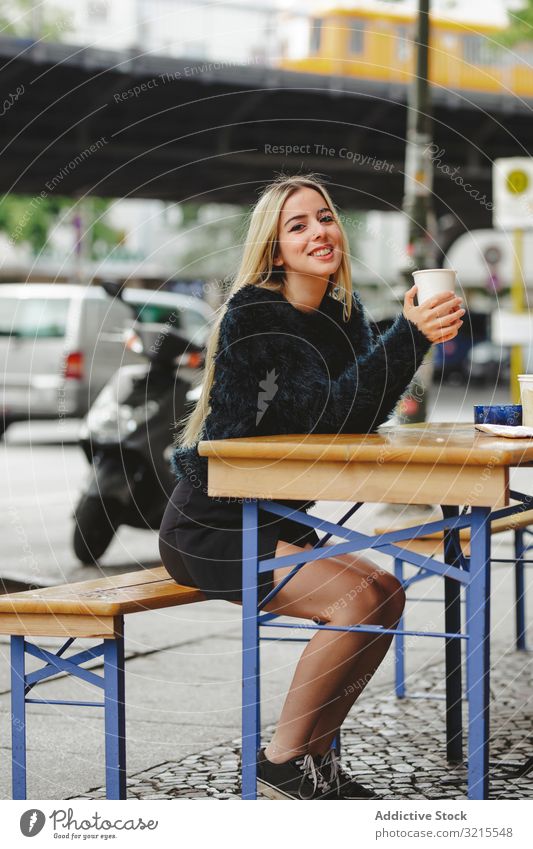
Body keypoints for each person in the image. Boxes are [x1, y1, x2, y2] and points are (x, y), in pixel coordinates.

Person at [159, 173, 464, 800]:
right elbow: (320, 412)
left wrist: (408, 339)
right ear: (275, 248)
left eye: (324, 217)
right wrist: (410, 337)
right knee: (358, 599)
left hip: (272, 518)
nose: (318, 231)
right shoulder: (254, 314)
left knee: (385, 593)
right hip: (212, 526)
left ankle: (313, 761)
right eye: (297, 225)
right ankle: (280, 763)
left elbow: (356, 412)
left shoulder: (340, 314)